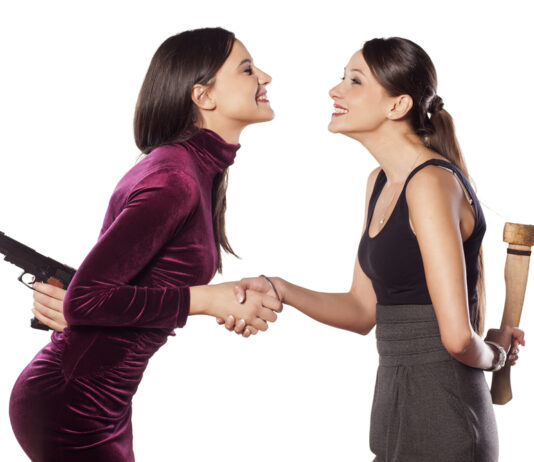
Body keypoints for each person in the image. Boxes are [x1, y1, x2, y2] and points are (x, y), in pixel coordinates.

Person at [229, 37, 525, 461]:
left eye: (355, 81)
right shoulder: (381, 181)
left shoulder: (430, 184)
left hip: (446, 412)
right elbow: (361, 310)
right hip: (393, 405)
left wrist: (495, 356)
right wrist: (280, 288)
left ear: (397, 105)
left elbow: (459, 340)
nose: (336, 90)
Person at [9, 27, 282, 462]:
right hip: (72, 405)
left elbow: (124, 289)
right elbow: (86, 300)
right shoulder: (175, 177)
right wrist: (206, 299)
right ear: (203, 96)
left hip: (102, 400)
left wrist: (230, 299)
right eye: (247, 69)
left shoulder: (191, 169)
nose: (265, 77)